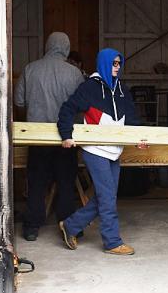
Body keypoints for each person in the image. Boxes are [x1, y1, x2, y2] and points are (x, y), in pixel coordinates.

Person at [56, 48, 147, 256]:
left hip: (115, 150)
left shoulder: (122, 89)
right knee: (107, 197)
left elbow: (132, 117)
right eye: (113, 64)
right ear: (104, 63)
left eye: (119, 64)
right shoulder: (90, 87)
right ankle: (112, 241)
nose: (117, 68)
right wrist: (66, 135)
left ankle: (70, 226)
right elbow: (67, 109)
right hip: (95, 149)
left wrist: (138, 139)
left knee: (105, 196)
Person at [14, 32, 85, 241]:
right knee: (65, 182)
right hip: (65, 137)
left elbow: (19, 101)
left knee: (36, 183)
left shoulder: (30, 69)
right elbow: (82, 107)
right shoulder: (74, 73)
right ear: (66, 47)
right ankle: (69, 226)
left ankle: (32, 227)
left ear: (47, 45)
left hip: (37, 137)